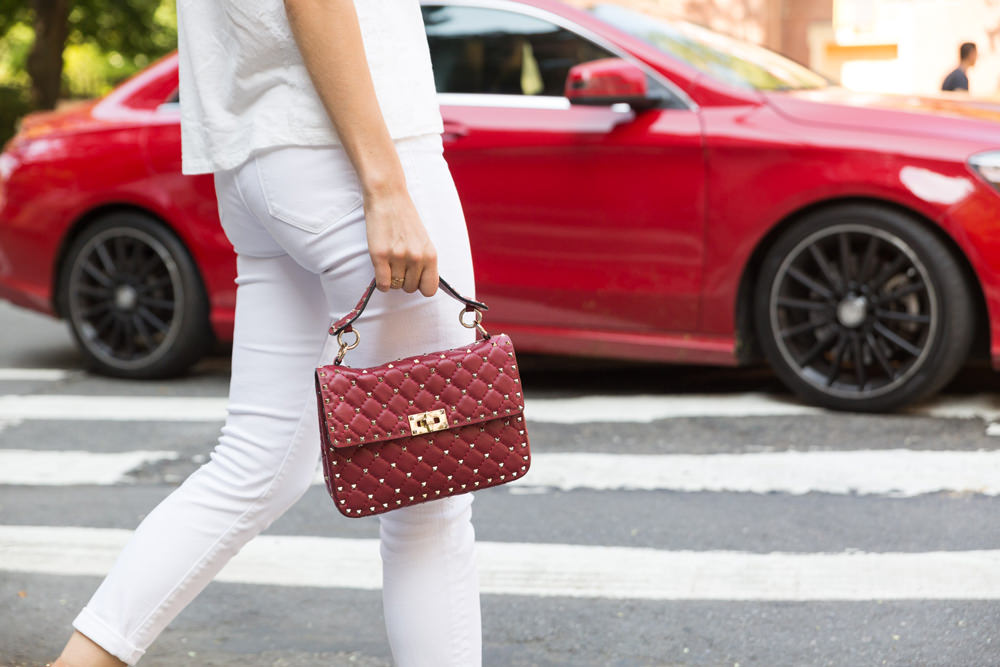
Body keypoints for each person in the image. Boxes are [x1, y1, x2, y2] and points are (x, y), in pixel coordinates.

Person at [50, 0, 482, 665]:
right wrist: (386, 183)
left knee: (256, 463)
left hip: (261, 156)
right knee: (429, 487)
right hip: (348, 149)